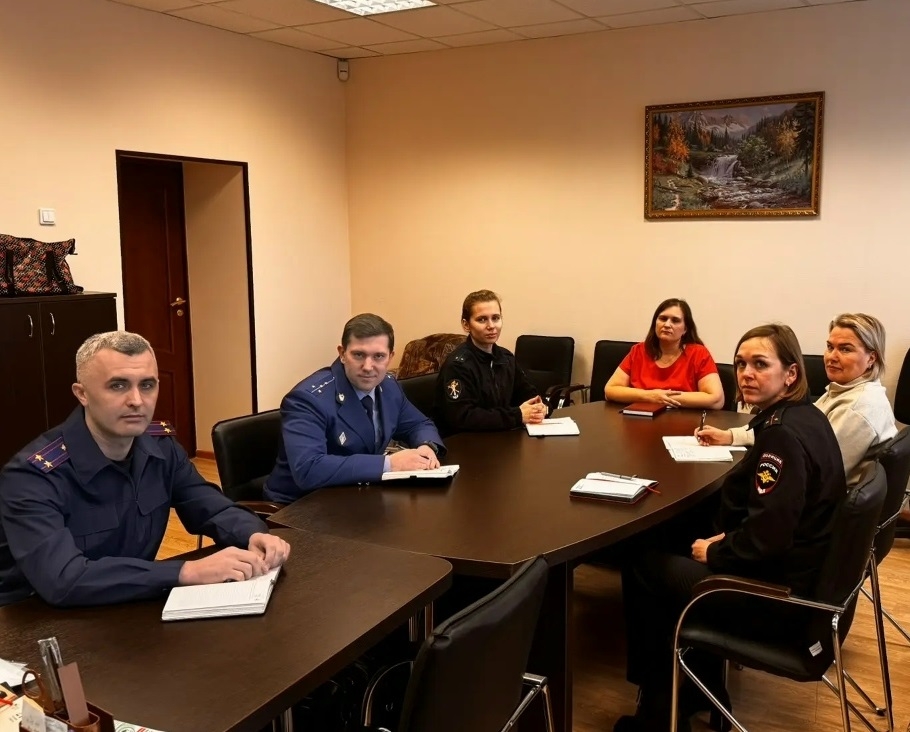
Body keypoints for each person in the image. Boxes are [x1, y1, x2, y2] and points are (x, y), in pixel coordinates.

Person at [616, 324, 844, 732]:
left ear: (790, 373)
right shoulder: (805, 415)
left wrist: (718, 550)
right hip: (803, 578)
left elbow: (768, 538)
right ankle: (697, 689)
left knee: (643, 564)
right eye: (740, 364)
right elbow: (775, 522)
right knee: (672, 536)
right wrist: (732, 537)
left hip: (777, 599)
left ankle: (658, 713)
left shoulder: (782, 437)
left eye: (760, 364)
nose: (746, 374)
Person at [0, 331, 289, 608]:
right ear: (82, 393)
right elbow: (63, 579)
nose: (137, 401)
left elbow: (210, 507)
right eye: (118, 385)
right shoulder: (33, 476)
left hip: (130, 605)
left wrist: (252, 534)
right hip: (36, 622)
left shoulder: (161, 448)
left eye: (147, 385)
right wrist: (185, 571)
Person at [698, 313, 897, 487]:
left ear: (871, 358)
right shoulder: (841, 389)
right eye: (830, 347)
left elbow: (819, 470)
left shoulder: (859, 408)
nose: (831, 357)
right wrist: (730, 436)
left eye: (845, 349)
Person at [264, 313, 445, 503]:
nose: (368, 366)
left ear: (390, 357)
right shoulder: (308, 399)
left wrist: (426, 446)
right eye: (359, 355)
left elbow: (419, 424)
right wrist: (389, 464)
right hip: (301, 505)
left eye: (378, 356)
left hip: (358, 497)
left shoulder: (389, 386)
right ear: (342, 354)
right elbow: (309, 469)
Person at [434, 290, 545, 437]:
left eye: (496, 318)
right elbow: (463, 417)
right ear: (466, 325)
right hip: (466, 442)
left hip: (502, 437)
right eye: (482, 320)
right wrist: (517, 415)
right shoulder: (458, 365)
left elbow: (527, 393)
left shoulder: (505, 358)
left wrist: (539, 407)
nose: (491, 326)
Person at [605, 298, 724, 409]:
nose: (667, 324)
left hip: (682, 421)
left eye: (675, 320)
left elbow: (715, 398)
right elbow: (610, 390)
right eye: (663, 318)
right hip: (640, 419)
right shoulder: (638, 351)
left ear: (685, 329)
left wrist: (663, 398)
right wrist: (650, 396)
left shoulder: (698, 353)